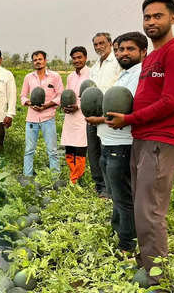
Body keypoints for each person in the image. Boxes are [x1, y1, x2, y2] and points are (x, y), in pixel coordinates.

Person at [105, 0, 174, 288]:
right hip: (141, 138)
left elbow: (173, 101)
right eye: (147, 17)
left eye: (158, 16)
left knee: (150, 209)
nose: (151, 22)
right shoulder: (150, 57)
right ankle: (148, 258)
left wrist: (129, 119)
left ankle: (158, 274)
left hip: (161, 139)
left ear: (172, 19)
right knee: (141, 205)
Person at [85, 32, 147, 254]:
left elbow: (122, 112)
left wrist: (98, 118)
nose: (123, 53)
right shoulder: (125, 74)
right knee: (116, 194)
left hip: (121, 145)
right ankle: (118, 229)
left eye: (130, 49)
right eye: (120, 49)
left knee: (123, 196)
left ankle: (126, 244)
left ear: (143, 52)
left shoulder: (138, 75)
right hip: (108, 142)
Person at [88, 32, 122, 198]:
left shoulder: (117, 63)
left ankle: (110, 188)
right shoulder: (94, 67)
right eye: (96, 44)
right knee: (93, 153)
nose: (99, 47)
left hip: (109, 116)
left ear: (109, 43)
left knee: (106, 153)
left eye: (102, 43)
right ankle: (99, 185)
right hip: (92, 116)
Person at [20, 50, 63, 177]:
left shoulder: (55, 76)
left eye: (40, 59)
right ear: (33, 62)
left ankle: (55, 178)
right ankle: (27, 177)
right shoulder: (28, 77)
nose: (37, 62)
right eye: (35, 60)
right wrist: (29, 103)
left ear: (45, 60)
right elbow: (22, 96)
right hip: (31, 119)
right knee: (29, 150)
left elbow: (60, 95)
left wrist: (47, 105)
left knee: (52, 151)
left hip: (48, 118)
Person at [61, 46, 89, 184]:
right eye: (74, 58)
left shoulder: (90, 74)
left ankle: (78, 178)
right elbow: (67, 95)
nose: (77, 60)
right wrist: (64, 106)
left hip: (82, 116)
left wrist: (78, 106)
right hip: (70, 117)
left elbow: (92, 96)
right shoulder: (70, 76)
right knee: (69, 146)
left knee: (80, 147)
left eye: (79, 57)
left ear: (85, 58)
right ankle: (73, 176)